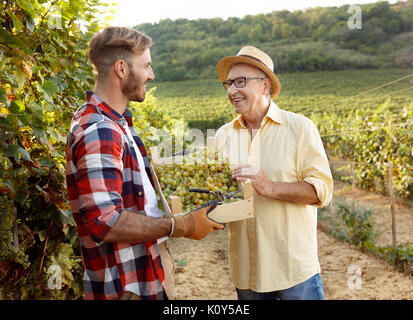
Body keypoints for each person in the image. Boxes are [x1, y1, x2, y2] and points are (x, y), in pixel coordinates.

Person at [65, 26, 223, 300]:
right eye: (147, 65)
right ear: (122, 69)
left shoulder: (117, 122)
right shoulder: (101, 131)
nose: (152, 75)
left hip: (142, 270)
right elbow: (105, 222)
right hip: (126, 283)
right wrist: (180, 226)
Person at [214, 46, 333, 300]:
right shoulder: (223, 135)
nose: (232, 90)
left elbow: (322, 190)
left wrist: (270, 187)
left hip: (294, 271)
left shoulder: (299, 128)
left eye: (240, 82)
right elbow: (218, 192)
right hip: (246, 272)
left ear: (265, 85)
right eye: (228, 83)